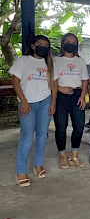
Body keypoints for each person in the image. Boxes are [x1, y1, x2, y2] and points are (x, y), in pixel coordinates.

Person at [10, 35, 57, 187]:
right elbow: (15, 82)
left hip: (45, 101)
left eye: (46, 45)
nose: (43, 47)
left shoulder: (49, 62)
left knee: (43, 134)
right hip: (27, 103)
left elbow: (54, 85)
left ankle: (38, 164)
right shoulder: (23, 60)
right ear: (33, 46)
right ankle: (21, 171)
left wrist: (53, 103)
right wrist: (23, 101)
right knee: (27, 136)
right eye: (40, 44)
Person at [53, 33, 89, 169]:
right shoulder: (55, 60)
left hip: (77, 95)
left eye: (74, 42)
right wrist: (60, 89)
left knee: (79, 126)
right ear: (63, 43)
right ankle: (62, 156)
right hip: (61, 96)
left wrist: (83, 96)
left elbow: (85, 80)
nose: (71, 44)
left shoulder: (80, 61)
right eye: (68, 41)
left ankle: (74, 155)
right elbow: (51, 80)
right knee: (61, 127)